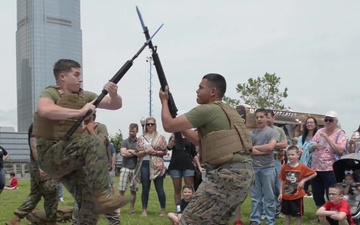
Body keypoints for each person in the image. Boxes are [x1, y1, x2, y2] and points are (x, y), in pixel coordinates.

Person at [32, 59, 132, 219]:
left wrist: (113, 93)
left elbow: (115, 105)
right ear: (63, 76)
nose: (80, 79)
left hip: (72, 157)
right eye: (76, 74)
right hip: (51, 154)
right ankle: (103, 196)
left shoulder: (84, 96)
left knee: (89, 206)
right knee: (93, 142)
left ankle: (96, 202)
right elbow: (44, 109)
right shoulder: (50, 93)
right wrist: (79, 112)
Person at [159, 73, 254, 224]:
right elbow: (198, 140)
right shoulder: (227, 110)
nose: (197, 91)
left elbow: (168, 125)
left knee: (188, 220)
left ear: (212, 92)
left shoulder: (207, 110)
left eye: (200, 87)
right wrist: (181, 127)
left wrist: (164, 101)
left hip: (227, 175)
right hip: (243, 175)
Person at [71, 111, 120, 225]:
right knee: (79, 203)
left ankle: (114, 223)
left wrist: (91, 130)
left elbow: (102, 144)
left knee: (105, 201)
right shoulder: (77, 129)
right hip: (83, 171)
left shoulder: (101, 127)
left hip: (99, 171)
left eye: (91, 113)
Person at [7, 123, 58, 225]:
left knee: (35, 194)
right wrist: (41, 165)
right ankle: (51, 222)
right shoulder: (39, 123)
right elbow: (34, 144)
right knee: (51, 192)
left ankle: (16, 218)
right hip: (40, 165)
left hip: (36, 165)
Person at [309, 111, 347, 210]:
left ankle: (332, 213)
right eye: (326, 120)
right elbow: (310, 148)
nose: (328, 122)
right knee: (317, 192)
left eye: (330, 120)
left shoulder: (340, 133)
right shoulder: (319, 131)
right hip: (316, 167)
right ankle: (321, 214)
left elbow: (340, 150)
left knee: (331, 193)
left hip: (330, 167)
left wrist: (328, 138)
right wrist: (314, 146)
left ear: (336, 121)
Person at [131, 117, 167, 217]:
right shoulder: (141, 138)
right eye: (148, 124)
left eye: (152, 124)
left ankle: (163, 210)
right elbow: (137, 153)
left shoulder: (161, 137)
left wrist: (155, 152)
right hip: (145, 164)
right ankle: (144, 210)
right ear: (145, 125)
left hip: (157, 164)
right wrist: (146, 152)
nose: (150, 126)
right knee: (145, 188)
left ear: (155, 125)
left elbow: (165, 151)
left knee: (160, 188)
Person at [249, 108, 278, 225]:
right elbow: (248, 150)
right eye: (257, 117)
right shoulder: (251, 133)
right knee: (255, 198)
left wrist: (256, 149)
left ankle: (270, 221)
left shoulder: (272, 132)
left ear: (267, 118)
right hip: (254, 168)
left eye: (261, 117)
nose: (259, 119)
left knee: (269, 197)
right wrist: (264, 149)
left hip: (268, 168)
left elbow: (271, 147)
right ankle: (255, 220)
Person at [278, 145, 317, 225]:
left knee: (298, 215)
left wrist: (304, 180)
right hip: (286, 195)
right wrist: (281, 193)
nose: (290, 156)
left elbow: (314, 173)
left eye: (292, 154)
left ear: (298, 155)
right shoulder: (284, 167)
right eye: (288, 155)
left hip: (297, 196)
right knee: (287, 214)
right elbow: (282, 180)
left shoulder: (302, 167)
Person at [167, 133, 203, 204]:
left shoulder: (189, 136)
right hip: (175, 165)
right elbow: (168, 147)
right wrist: (174, 138)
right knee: (177, 189)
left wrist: (199, 166)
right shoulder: (173, 136)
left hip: (188, 165)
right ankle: (179, 209)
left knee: (190, 188)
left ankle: (191, 208)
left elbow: (194, 153)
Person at [266, 109, 288, 219]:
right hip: (265, 160)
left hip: (277, 160)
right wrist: (276, 145)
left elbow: (285, 144)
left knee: (277, 186)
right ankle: (265, 212)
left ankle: (276, 212)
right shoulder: (261, 131)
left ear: (273, 118)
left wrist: (270, 145)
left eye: (269, 116)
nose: (267, 119)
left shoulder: (279, 130)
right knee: (266, 187)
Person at [119, 123, 139, 214]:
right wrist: (134, 152)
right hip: (125, 168)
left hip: (135, 169)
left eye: (133, 131)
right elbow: (123, 153)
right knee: (121, 190)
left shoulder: (139, 142)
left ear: (137, 131)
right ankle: (118, 208)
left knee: (133, 191)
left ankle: (132, 208)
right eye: (130, 131)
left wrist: (130, 151)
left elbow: (141, 153)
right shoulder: (124, 141)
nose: (131, 133)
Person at [298, 116, 318, 197]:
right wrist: (309, 150)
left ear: (315, 124)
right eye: (308, 122)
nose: (309, 124)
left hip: (316, 164)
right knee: (302, 185)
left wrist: (305, 150)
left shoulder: (319, 136)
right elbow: (299, 150)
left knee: (316, 185)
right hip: (304, 165)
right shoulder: (301, 138)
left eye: (311, 122)